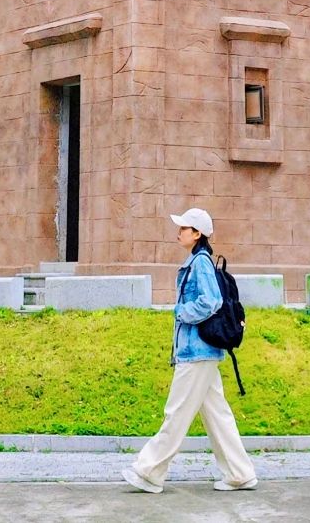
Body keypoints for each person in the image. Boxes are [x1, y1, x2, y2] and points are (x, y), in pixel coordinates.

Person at [122, 207, 258, 494]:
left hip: (196, 353)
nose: (179, 231)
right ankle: (239, 473)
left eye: (184, 228)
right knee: (217, 416)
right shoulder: (197, 261)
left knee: (177, 412)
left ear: (198, 234)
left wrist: (181, 311)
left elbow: (211, 301)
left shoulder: (201, 264)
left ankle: (149, 471)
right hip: (203, 352)